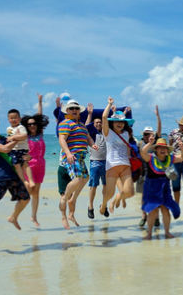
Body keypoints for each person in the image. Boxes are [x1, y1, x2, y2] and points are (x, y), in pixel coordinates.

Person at [58, 99, 97, 229]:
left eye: (76, 108)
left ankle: (72, 199)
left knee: (86, 178)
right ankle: (66, 198)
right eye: (71, 109)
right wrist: (68, 153)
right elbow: (62, 139)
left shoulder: (81, 125)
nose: (74, 110)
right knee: (78, 178)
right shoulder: (66, 123)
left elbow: (88, 138)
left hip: (80, 158)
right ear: (67, 111)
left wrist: (93, 145)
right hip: (71, 157)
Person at [140, 135, 183, 240]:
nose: (162, 149)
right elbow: (143, 153)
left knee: (166, 210)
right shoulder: (151, 157)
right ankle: (149, 234)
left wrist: (182, 148)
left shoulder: (170, 158)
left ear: (167, 150)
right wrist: (149, 143)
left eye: (164, 148)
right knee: (152, 211)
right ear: (156, 149)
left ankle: (167, 232)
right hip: (151, 188)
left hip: (165, 188)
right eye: (160, 148)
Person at [100, 97, 136, 216]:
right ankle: (104, 204)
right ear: (112, 122)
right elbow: (104, 117)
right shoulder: (108, 133)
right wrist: (109, 104)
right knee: (108, 194)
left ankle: (117, 198)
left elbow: (126, 149)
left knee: (130, 192)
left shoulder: (126, 133)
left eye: (121, 122)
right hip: (112, 166)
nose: (120, 124)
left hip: (125, 165)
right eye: (117, 121)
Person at [20, 94, 50, 227]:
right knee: (29, 189)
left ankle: (34, 217)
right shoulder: (24, 136)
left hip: (41, 166)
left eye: (34, 124)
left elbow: (39, 114)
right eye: (29, 124)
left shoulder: (40, 134)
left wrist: (40, 102)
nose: (32, 125)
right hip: (28, 166)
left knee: (36, 192)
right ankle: (17, 212)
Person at [137, 106, 162, 227]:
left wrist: (158, 116)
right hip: (143, 173)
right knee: (144, 197)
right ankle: (144, 217)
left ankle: (156, 218)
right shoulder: (140, 143)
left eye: (150, 134)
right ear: (143, 135)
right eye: (146, 134)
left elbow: (159, 129)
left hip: (156, 173)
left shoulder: (156, 142)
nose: (148, 136)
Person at [85, 103, 107, 219]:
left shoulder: (106, 134)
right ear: (94, 124)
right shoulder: (91, 135)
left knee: (106, 186)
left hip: (106, 163)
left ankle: (104, 205)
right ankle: (90, 207)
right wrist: (89, 114)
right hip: (95, 162)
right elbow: (86, 126)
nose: (98, 124)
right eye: (96, 122)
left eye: (100, 122)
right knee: (93, 186)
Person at [7, 109, 36, 191]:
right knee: (16, 165)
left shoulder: (21, 127)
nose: (13, 120)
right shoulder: (8, 128)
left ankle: (31, 180)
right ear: (8, 119)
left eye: (15, 118)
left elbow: (24, 136)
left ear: (19, 119)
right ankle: (24, 181)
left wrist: (13, 137)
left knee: (25, 164)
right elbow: (9, 138)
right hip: (13, 150)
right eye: (11, 118)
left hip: (22, 149)